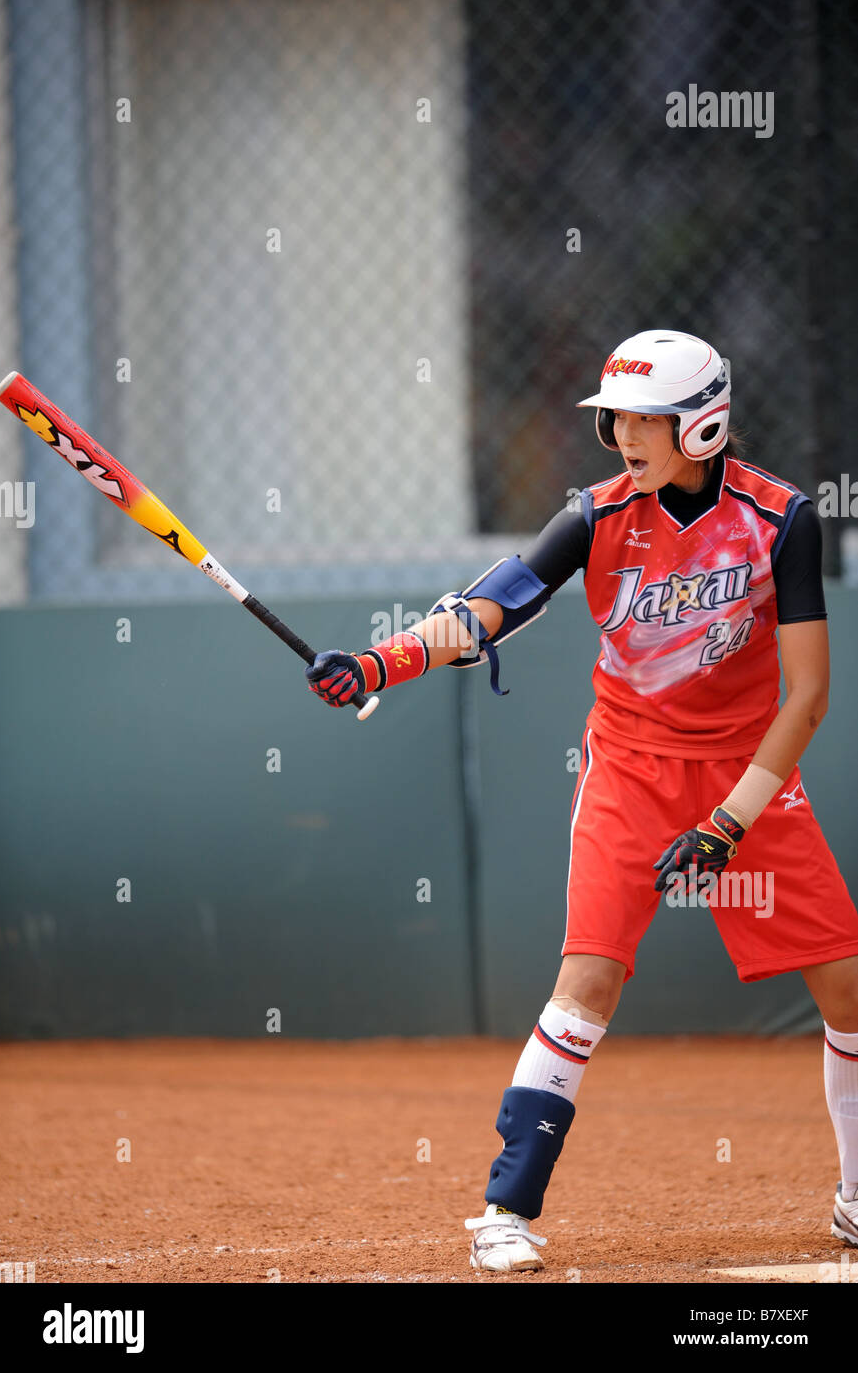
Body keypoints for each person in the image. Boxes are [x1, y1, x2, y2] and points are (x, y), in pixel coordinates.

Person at [305, 330, 858, 1274]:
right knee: (588, 980)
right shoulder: (595, 516)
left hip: (746, 778)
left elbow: (806, 693)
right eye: (615, 419)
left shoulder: (781, 520)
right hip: (630, 774)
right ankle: (503, 1210)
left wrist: (728, 823)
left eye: (643, 420)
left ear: (704, 424)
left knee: (848, 985)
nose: (621, 436)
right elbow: (488, 609)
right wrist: (377, 664)